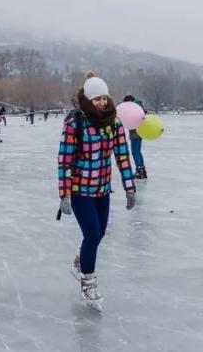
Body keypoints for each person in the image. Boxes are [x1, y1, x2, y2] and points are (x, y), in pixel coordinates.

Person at [58, 72, 136, 310]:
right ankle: (88, 281)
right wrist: (65, 194)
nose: (102, 103)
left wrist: (130, 188)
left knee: (99, 234)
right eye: (97, 99)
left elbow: (122, 156)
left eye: (105, 98)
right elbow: (65, 160)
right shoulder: (76, 123)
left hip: (102, 189)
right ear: (88, 100)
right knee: (92, 234)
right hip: (81, 189)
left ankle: (80, 261)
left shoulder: (114, 123)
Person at [123, 95, 148, 179]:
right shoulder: (139, 107)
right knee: (137, 152)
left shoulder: (135, 108)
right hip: (139, 133)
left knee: (135, 152)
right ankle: (142, 170)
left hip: (136, 133)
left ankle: (139, 170)